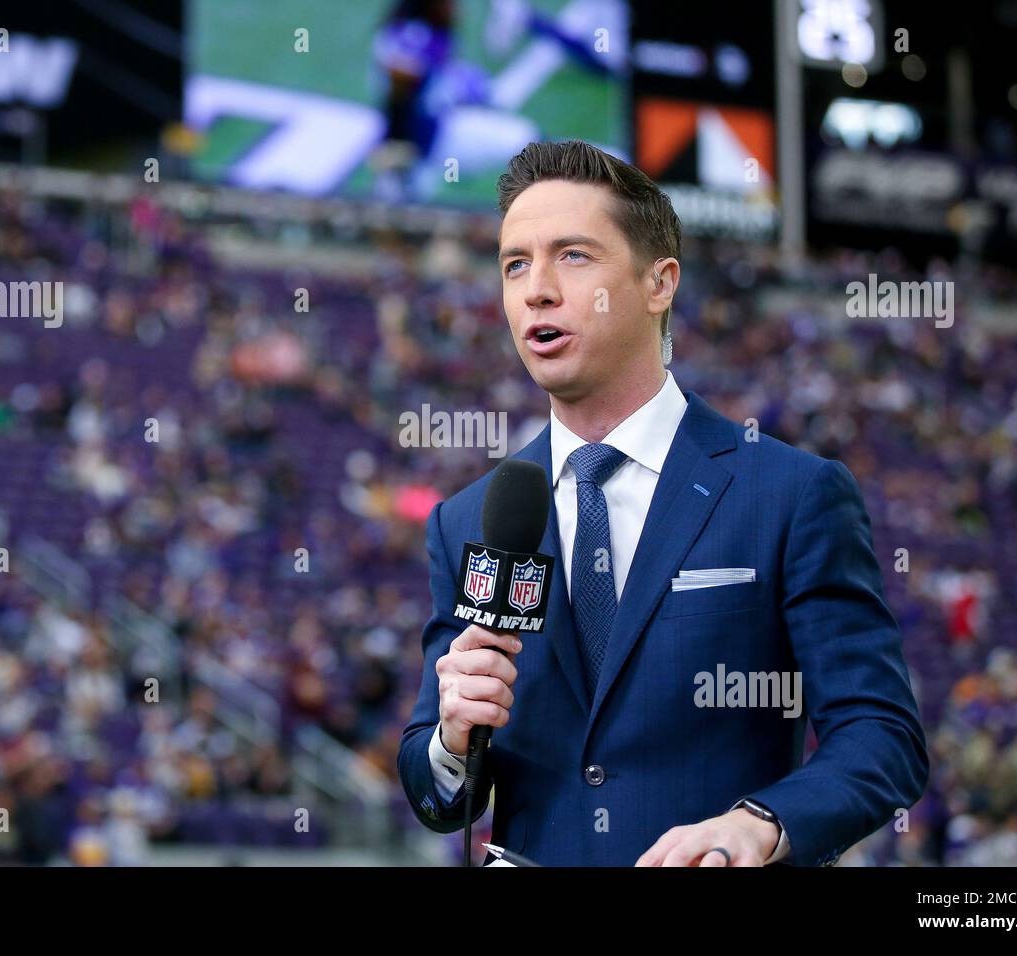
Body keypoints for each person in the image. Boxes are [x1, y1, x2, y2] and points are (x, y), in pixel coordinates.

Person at [397, 139, 929, 866]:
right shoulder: (469, 521)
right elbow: (435, 797)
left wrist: (762, 824)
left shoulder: (790, 494)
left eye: (573, 256)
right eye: (515, 263)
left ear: (659, 284)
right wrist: (452, 740)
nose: (536, 288)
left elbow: (882, 735)